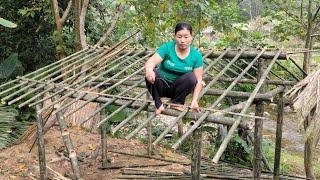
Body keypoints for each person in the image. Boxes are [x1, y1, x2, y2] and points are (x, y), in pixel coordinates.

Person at [144, 22, 204, 115]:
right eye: (179, 37)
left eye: (186, 37)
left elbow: (199, 81)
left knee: (192, 77)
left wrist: (194, 100)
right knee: (152, 73)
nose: (182, 40)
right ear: (174, 37)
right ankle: (158, 103)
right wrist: (149, 70)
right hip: (162, 86)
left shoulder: (196, 55)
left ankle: (177, 103)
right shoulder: (167, 47)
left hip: (179, 89)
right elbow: (151, 62)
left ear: (191, 37)